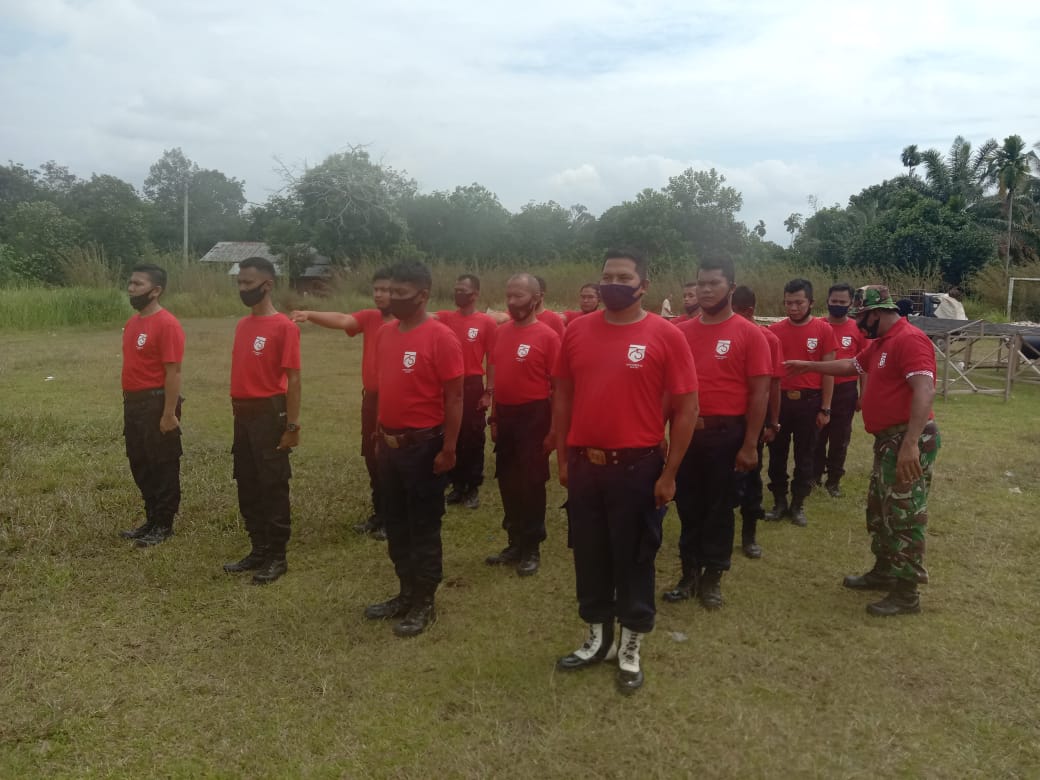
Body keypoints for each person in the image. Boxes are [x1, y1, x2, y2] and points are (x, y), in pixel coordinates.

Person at [553, 248, 699, 695]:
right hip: (584, 466)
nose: (612, 283)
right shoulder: (576, 332)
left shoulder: (665, 335)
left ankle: (630, 647)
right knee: (590, 554)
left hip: (637, 469)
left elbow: (687, 407)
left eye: (623, 276)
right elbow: (562, 396)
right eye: (606, 276)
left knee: (635, 558)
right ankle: (597, 639)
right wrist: (562, 457)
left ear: (643, 286)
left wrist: (670, 473)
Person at [785, 285, 940, 616]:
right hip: (888, 440)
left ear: (877, 313)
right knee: (880, 509)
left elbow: (924, 390)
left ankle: (906, 591)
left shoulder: (909, 340)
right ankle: (884, 571)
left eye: (861, 317)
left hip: (906, 439)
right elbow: (850, 367)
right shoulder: (881, 343)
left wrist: (910, 444)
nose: (857, 324)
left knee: (904, 512)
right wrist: (809, 366)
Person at [364, 261, 464, 637]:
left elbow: (456, 397)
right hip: (389, 445)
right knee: (396, 523)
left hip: (424, 447)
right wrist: (377, 434)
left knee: (423, 526)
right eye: (390, 292)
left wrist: (449, 448)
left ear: (422, 295)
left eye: (401, 293)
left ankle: (425, 602)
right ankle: (405, 593)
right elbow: (385, 391)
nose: (392, 299)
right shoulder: (386, 334)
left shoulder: (441, 337)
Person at [665, 259, 770, 609]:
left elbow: (759, 393)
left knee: (720, 509)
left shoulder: (749, 333)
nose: (706, 290)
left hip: (727, 435)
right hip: (688, 434)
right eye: (701, 283)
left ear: (731, 286)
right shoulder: (681, 332)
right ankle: (688, 574)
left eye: (714, 283)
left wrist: (750, 444)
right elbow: (670, 390)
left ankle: (713, 578)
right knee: (688, 506)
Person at [291, 269, 394, 539]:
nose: (379, 294)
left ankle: (395, 518)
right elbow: (344, 319)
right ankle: (380, 513)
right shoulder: (371, 318)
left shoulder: (410, 322)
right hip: (371, 400)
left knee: (391, 459)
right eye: (376, 289)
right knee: (372, 455)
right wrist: (310, 314)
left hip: (396, 403)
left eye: (386, 289)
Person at [223, 257, 301, 585]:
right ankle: (258, 548)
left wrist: (292, 426)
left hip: (270, 414)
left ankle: (277, 556)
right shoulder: (243, 325)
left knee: (272, 484)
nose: (242, 288)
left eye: (248, 283)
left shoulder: (284, 326)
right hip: (243, 415)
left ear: (266, 285)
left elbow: (293, 380)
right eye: (239, 283)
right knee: (248, 482)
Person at [485, 273, 560, 576]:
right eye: (509, 295)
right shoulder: (501, 334)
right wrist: (494, 416)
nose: (513, 302)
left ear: (536, 298)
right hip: (505, 415)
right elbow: (498, 378)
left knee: (530, 482)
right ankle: (514, 542)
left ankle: (532, 546)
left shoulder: (547, 337)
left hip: (535, 416)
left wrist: (554, 430)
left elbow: (558, 388)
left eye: (519, 296)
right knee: (507, 479)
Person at [119, 264, 185, 548]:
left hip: (156, 403)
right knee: (140, 463)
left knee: (163, 465)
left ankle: (164, 524)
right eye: (130, 283)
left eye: (138, 284)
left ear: (156, 291)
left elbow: (174, 372)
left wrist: (168, 413)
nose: (131, 289)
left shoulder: (167, 324)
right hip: (133, 404)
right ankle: (151, 518)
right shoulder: (134, 322)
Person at [765, 279, 836, 526]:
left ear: (811, 303)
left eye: (798, 302)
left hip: (810, 402)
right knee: (777, 453)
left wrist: (825, 407)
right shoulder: (774, 332)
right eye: (788, 303)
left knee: (806, 454)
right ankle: (779, 501)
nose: (793, 308)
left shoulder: (824, 330)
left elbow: (828, 371)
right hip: (781, 402)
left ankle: (798, 504)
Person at [436, 275, 497, 509]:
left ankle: (471, 487)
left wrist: (488, 391)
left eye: (463, 290)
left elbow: (492, 359)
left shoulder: (486, 323)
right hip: (447, 383)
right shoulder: (445, 318)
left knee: (472, 437)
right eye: (456, 289)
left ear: (475, 294)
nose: (458, 293)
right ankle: (455, 485)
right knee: (450, 433)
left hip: (472, 384)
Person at [731, 285, 783, 559]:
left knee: (751, 475)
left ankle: (749, 535)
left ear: (748, 311)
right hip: (722, 420)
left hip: (752, 418)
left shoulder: (766, 339)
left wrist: (773, 422)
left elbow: (772, 386)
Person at [813, 283, 866, 498]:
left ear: (851, 303)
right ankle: (813, 475)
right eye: (834, 301)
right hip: (817, 390)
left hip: (845, 391)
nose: (837, 305)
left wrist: (864, 395)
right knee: (816, 436)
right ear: (827, 300)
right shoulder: (816, 325)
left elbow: (865, 366)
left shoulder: (857, 329)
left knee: (840, 437)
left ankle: (834, 480)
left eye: (842, 302)